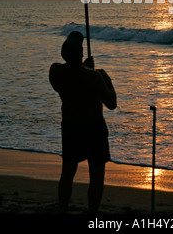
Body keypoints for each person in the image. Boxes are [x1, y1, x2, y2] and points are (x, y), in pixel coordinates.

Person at [49, 31, 117, 214]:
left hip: (71, 127)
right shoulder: (95, 77)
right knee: (96, 175)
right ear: (80, 54)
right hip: (93, 128)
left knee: (67, 173)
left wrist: (85, 68)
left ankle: (63, 209)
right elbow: (111, 103)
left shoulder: (55, 72)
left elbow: (72, 78)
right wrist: (104, 77)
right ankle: (92, 212)